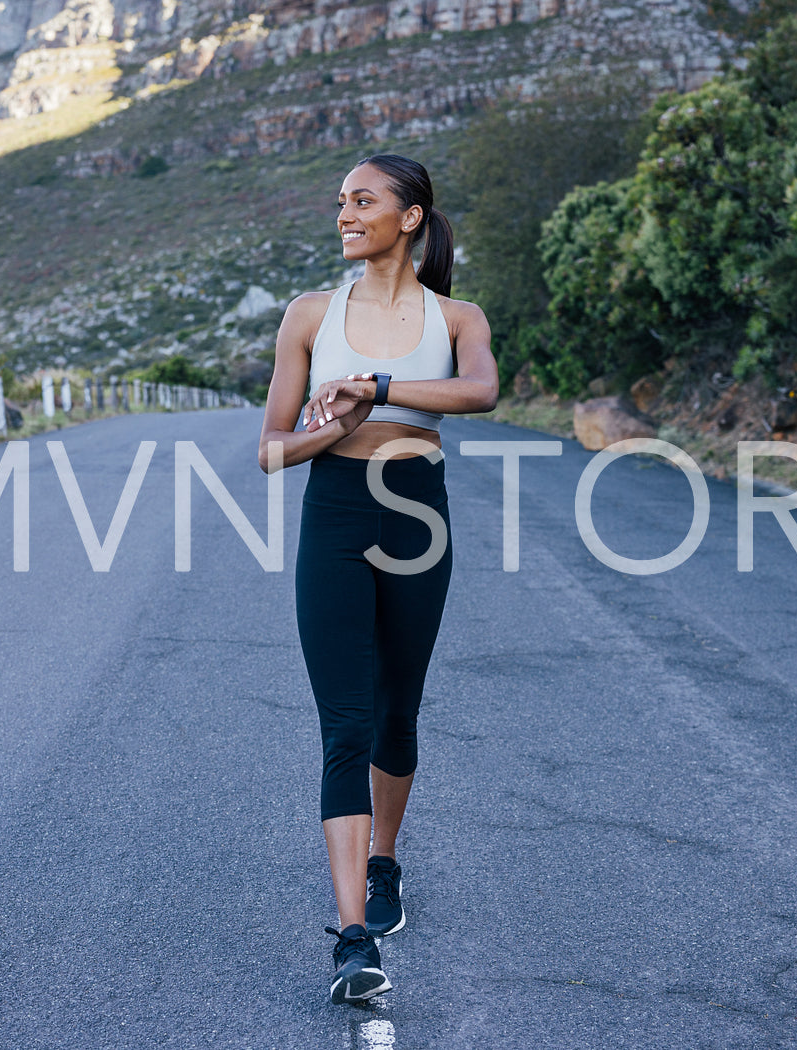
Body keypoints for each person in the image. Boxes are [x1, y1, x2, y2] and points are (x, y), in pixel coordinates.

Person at [256, 153, 498, 1005]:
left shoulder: (458, 316)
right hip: (336, 511)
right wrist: (341, 421)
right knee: (345, 724)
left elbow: (482, 391)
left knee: (399, 709)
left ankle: (386, 859)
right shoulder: (310, 314)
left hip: (415, 513)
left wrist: (382, 386)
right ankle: (352, 937)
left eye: (362, 201)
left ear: (411, 217)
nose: (344, 214)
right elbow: (271, 450)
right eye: (338, 203)